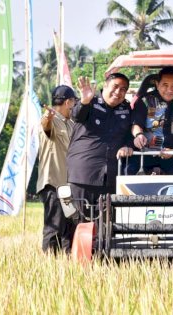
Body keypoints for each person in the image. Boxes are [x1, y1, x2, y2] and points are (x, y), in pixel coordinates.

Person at [66, 74, 135, 212]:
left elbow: (130, 136)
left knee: (108, 225)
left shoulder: (126, 110)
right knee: (82, 223)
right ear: (105, 86)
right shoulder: (90, 101)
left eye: (123, 89)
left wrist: (128, 146)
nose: (118, 92)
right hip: (84, 174)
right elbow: (76, 115)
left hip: (112, 177)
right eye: (115, 87)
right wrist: (85, 101)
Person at [131, 66, 173, 175]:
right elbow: (136, 124)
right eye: (165, 85)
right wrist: (138, 135)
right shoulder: (145, 100)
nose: (169, 90)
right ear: (157, 85)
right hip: (146, 156)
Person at [36, 85, 77, 253]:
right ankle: (49, 267)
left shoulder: (72, 124)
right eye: (74, 102)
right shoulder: (53, 120)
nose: (75, 105)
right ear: (68, 102)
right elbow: (45, 125)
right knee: (54, 228)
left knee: (69, 228)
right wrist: (48, 117)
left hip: (67, 186)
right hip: (53, 185)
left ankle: (66, 267)